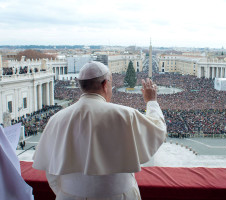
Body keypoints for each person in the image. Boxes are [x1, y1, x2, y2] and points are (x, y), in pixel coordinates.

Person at [32, 61, 167, 200]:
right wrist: (151, 101)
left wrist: (69, 193)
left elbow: (52, 172)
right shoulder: (126, 114)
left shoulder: (56, 119)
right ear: (104, 85)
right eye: (111, 83)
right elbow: (158, 129)